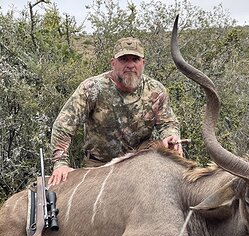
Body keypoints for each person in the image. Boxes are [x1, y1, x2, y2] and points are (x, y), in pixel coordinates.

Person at [48, 37, 182, 185]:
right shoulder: (92, 88)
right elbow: (63, 126)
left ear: (143, 63)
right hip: (101, 166)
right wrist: (60, 164)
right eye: (124, 59)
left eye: (135, 59)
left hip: (140, 162)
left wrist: (171, 136)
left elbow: (168, 123)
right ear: (113, 63)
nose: (130, 65)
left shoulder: (156, 90)